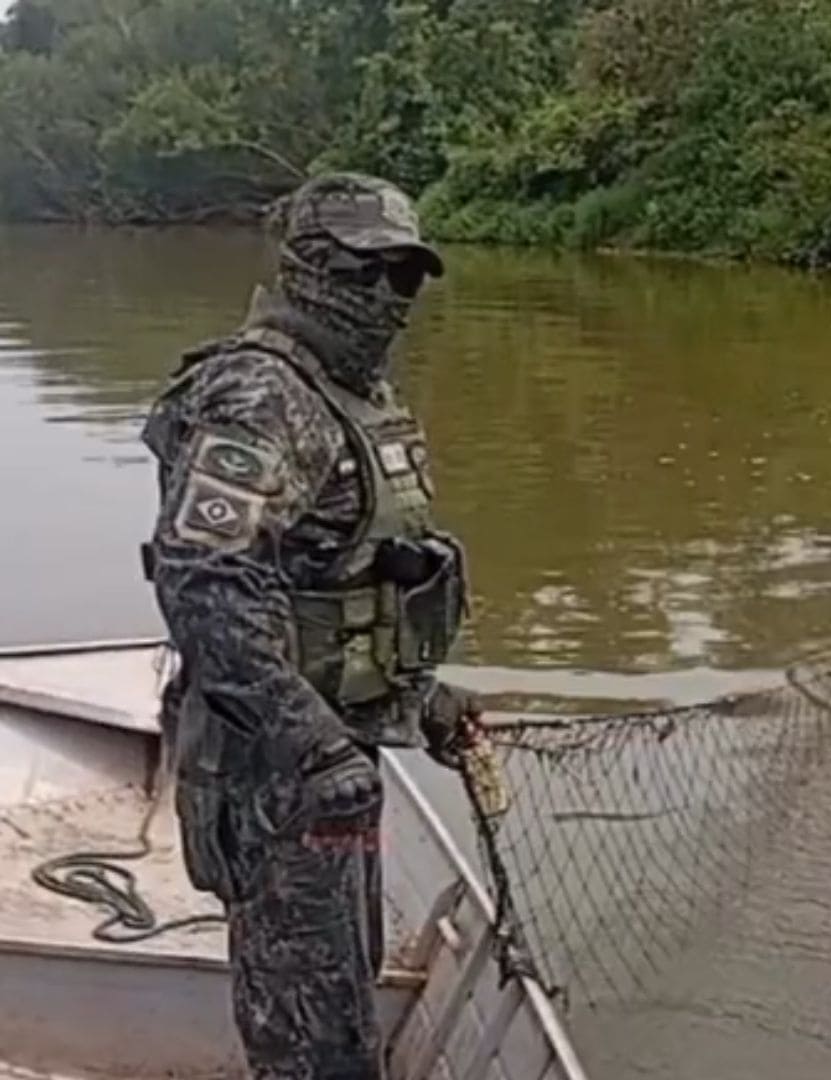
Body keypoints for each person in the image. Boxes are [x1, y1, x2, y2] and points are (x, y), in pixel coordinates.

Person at [141, 172, 480, 1079]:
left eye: (405, 278)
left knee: (340, 993)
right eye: (369, 275)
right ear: (312, 270)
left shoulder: (351, 394)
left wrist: (419, 695)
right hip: (271, 767)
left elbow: (339, 588)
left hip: (332, 753)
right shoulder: (263, 397)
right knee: (310, 1039)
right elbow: (206, 578)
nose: (388, 300)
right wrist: (309, 742)